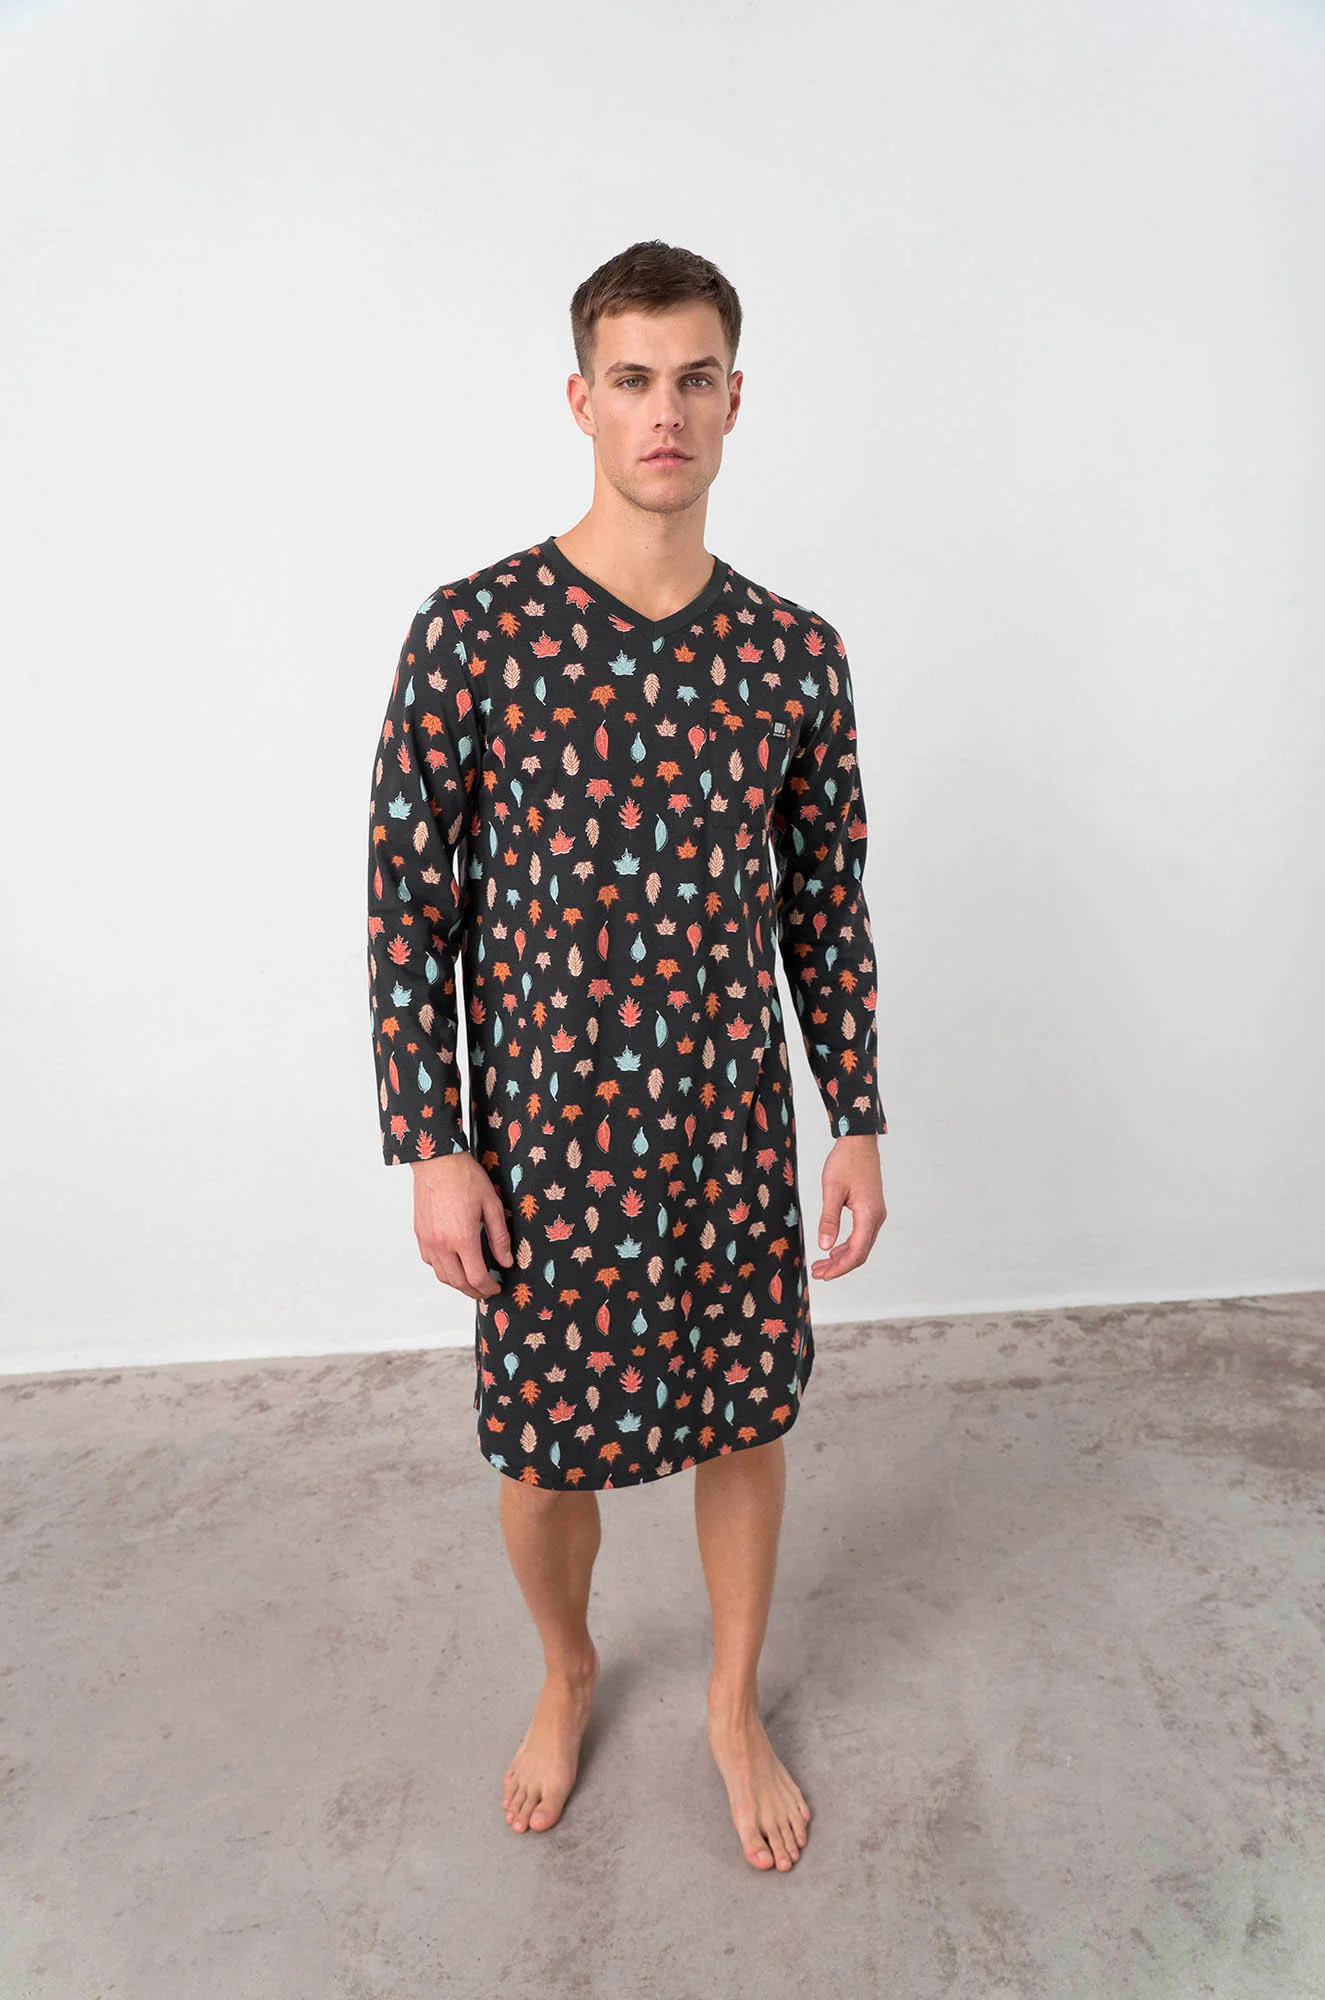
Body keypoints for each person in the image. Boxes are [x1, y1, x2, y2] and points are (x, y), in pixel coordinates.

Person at [366, 238, 887, 1872]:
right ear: (581, 401)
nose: (666, 410)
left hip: (726, 1129)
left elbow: (825, 901)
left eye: (695, 379)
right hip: (542, 1143)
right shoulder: (474, 633)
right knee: (541, 1458)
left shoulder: (790, 653)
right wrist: (432, 1145)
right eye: (635, 379)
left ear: (735, 401)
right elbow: (407, 906)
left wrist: (855, 1117)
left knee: (744, 1422)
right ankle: (569, 1667)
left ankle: (731, 1703)